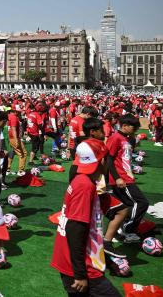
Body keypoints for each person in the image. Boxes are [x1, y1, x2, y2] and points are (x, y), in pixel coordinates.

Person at [51, 118, 121, 297]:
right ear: (100, 161)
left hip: (75, 261)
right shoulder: (85, 186)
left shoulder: (82, 179)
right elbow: (75, 228)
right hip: (80, 266)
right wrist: (80, 274)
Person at [105, 114, 149, 244]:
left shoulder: (126, 138)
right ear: (124, 126)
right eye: (134, 127)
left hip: (126, 176)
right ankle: (128, 229)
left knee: (127, 205)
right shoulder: (115, 138)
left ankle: (120, 228)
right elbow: (109, 159)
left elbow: (124, 158)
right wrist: (117, 178)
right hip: (121, 178)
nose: (136, 129)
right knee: (141, 203)